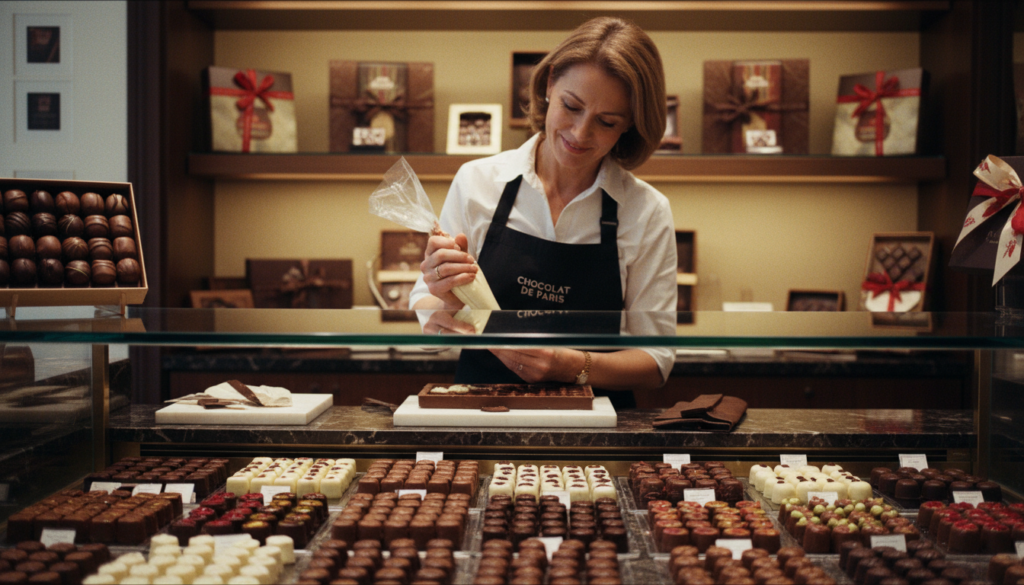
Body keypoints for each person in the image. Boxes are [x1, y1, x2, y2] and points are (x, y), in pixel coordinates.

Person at [409, 17, 677, 400]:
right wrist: (445, 299)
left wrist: (573, 366)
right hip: (481, 419)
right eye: (572, 106)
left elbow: (656, 361)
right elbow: (428, 317)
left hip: (596, 435)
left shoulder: (646, 211)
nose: (580, 134)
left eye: (606, 121)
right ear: (550, 83)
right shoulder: (477, 183)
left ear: (630, 124)